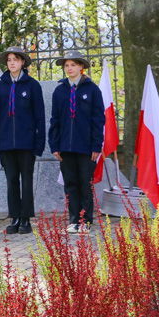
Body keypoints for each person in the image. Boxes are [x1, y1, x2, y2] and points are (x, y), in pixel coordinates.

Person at [48, 50, 104, 234]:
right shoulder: (60, 91)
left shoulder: (92, 90)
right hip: (65, 146)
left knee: (84, 183)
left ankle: (85, 220)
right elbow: (55, 119)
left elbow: (98, 120)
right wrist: (54, 145)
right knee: (70, 183)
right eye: (67, 65)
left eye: (73, 65)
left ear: (81, 67)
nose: (69, 68)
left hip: (86, 146)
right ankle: (74, 220)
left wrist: (97, 145)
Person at [0, 47, 45, 235]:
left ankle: (26, 218)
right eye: (9, 60)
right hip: (6, 144)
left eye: (15, 59)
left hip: (27, 143)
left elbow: (40, 117)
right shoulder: (0, 87)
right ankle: (14, 216)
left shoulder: (32, 86)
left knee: (26, 180)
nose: (12, 62)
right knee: (11, 180)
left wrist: (39, 144)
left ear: (22, 62)